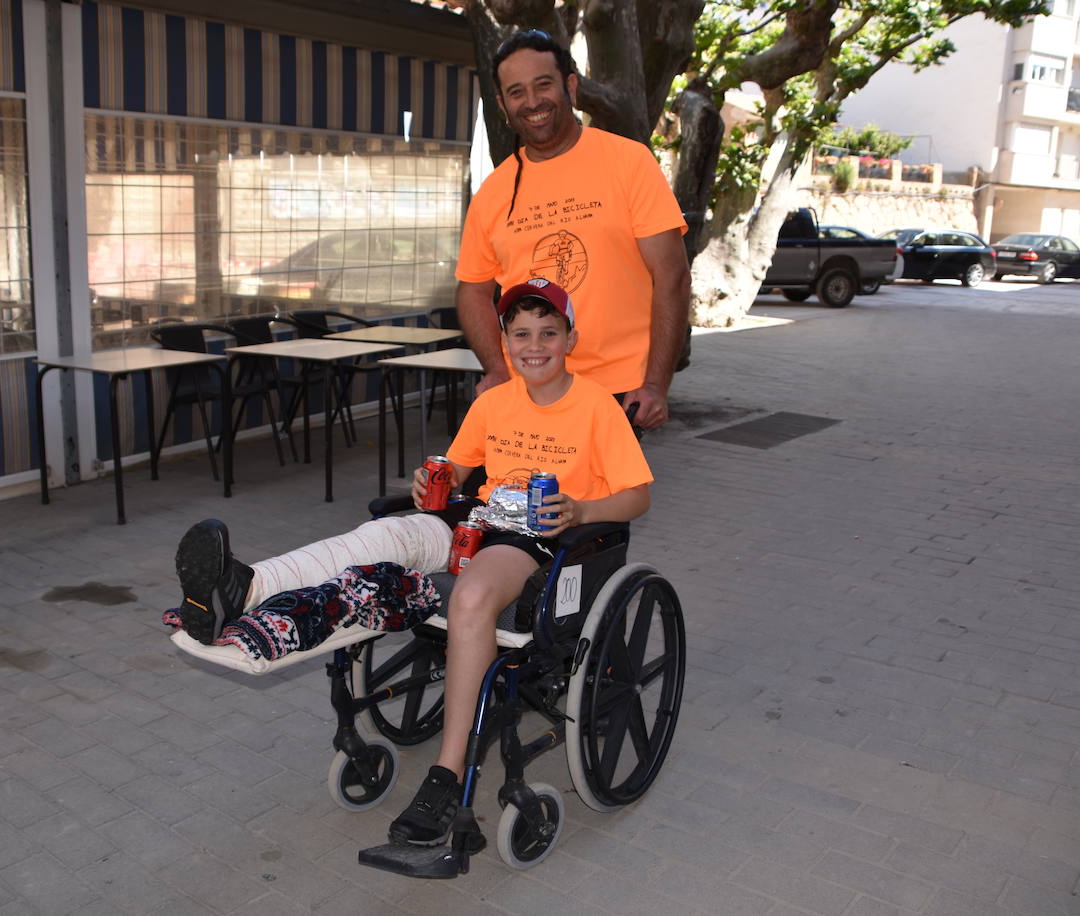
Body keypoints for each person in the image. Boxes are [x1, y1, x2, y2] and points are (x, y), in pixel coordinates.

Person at [170, 279, 652, 849]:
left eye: (549, 332)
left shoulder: (596, 405)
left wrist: (580, 507)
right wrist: (430, 483)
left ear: (571, 336)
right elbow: (457, 473)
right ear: (503, 339)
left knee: (471, 595)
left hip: (540, 541)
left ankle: (447, 773)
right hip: (473, 524)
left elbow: (638, 496)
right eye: (521, 333)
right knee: (379, 536)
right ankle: (245, 589)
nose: (535, 345)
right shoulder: (494, 401)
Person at [456, 29, 691, 430]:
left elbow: (672, 276)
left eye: (543, 85)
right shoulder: (494, 191)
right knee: (513, 494)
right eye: (516, 92)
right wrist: (496, 370)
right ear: (502, 104)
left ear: (570, 86)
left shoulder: (629, 163)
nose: (531, 102)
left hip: (617, 393)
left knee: (601, 497)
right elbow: (472, 290)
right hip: (527, 389)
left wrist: (655, 384)